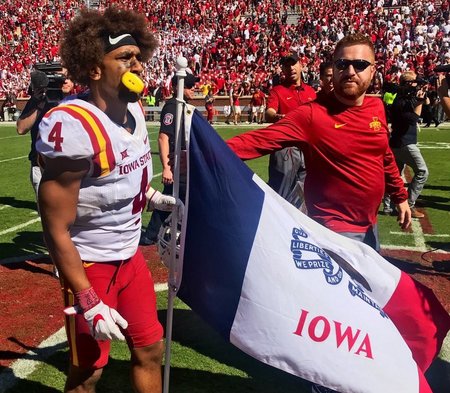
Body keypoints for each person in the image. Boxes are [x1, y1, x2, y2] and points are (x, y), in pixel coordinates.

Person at [36, 7, 182, 393]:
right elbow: (54, 227)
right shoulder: (74, 125)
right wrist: (87, 297)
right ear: (94, 68)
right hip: (89, 264)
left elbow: (118, 176)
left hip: (130, 257)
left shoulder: (133, 108)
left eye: (138, 57)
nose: (136, 65)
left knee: (150, 349)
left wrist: (150, 196)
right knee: (89, 372)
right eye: (124, 58)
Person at [227, 33, 411, 253]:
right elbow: (256, 141)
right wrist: (199, 149)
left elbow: (384, 155)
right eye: (343, 64)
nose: (350, 72)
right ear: (334, 68)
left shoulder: (376, 107)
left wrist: (400, 197)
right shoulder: (312, 114)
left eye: (360, 64)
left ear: (373, 70)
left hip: (370, 225)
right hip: (334, 231)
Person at [140, 73, 196, 245]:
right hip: (176, 164)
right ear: (179, 87)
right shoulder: (172, 107)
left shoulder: (183, 106)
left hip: (185, 163)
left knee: (175, 199)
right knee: (173, 198)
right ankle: (151, 234)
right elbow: (163, 137)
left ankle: (153, 234)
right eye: (189, 86)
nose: (193, 89)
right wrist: (166, 167)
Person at [264, 52, 316, 208]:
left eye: (293, 63)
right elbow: (269, 113)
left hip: (308, 148)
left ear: (301, 65)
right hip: (285, 147)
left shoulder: (310, 92)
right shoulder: (277, 91)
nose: (291, 68)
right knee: (281, 193)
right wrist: (280, 116)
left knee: (306, 195)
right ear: (283, 70)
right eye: (287, 65)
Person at [17, 68, 74, 197]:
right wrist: (37, 101)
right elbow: (21, 128)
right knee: (47, 215)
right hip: (41, 165)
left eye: (66, 78)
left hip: (70, 167)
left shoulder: (77, 102)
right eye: (58, 78)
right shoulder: (40, 101)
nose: (63, 81)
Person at [383, 71, 429, 219]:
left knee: (395, 175)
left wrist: (422, 98)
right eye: (414, 83)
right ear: (409, 83)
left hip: (398, 141)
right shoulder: (401, 100)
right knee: (422, 171)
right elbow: (413, 118)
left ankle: (388, 206)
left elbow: (427, 106)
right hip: (405, 142)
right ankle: (409, 204)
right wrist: (420, 102)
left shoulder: (402, 97)